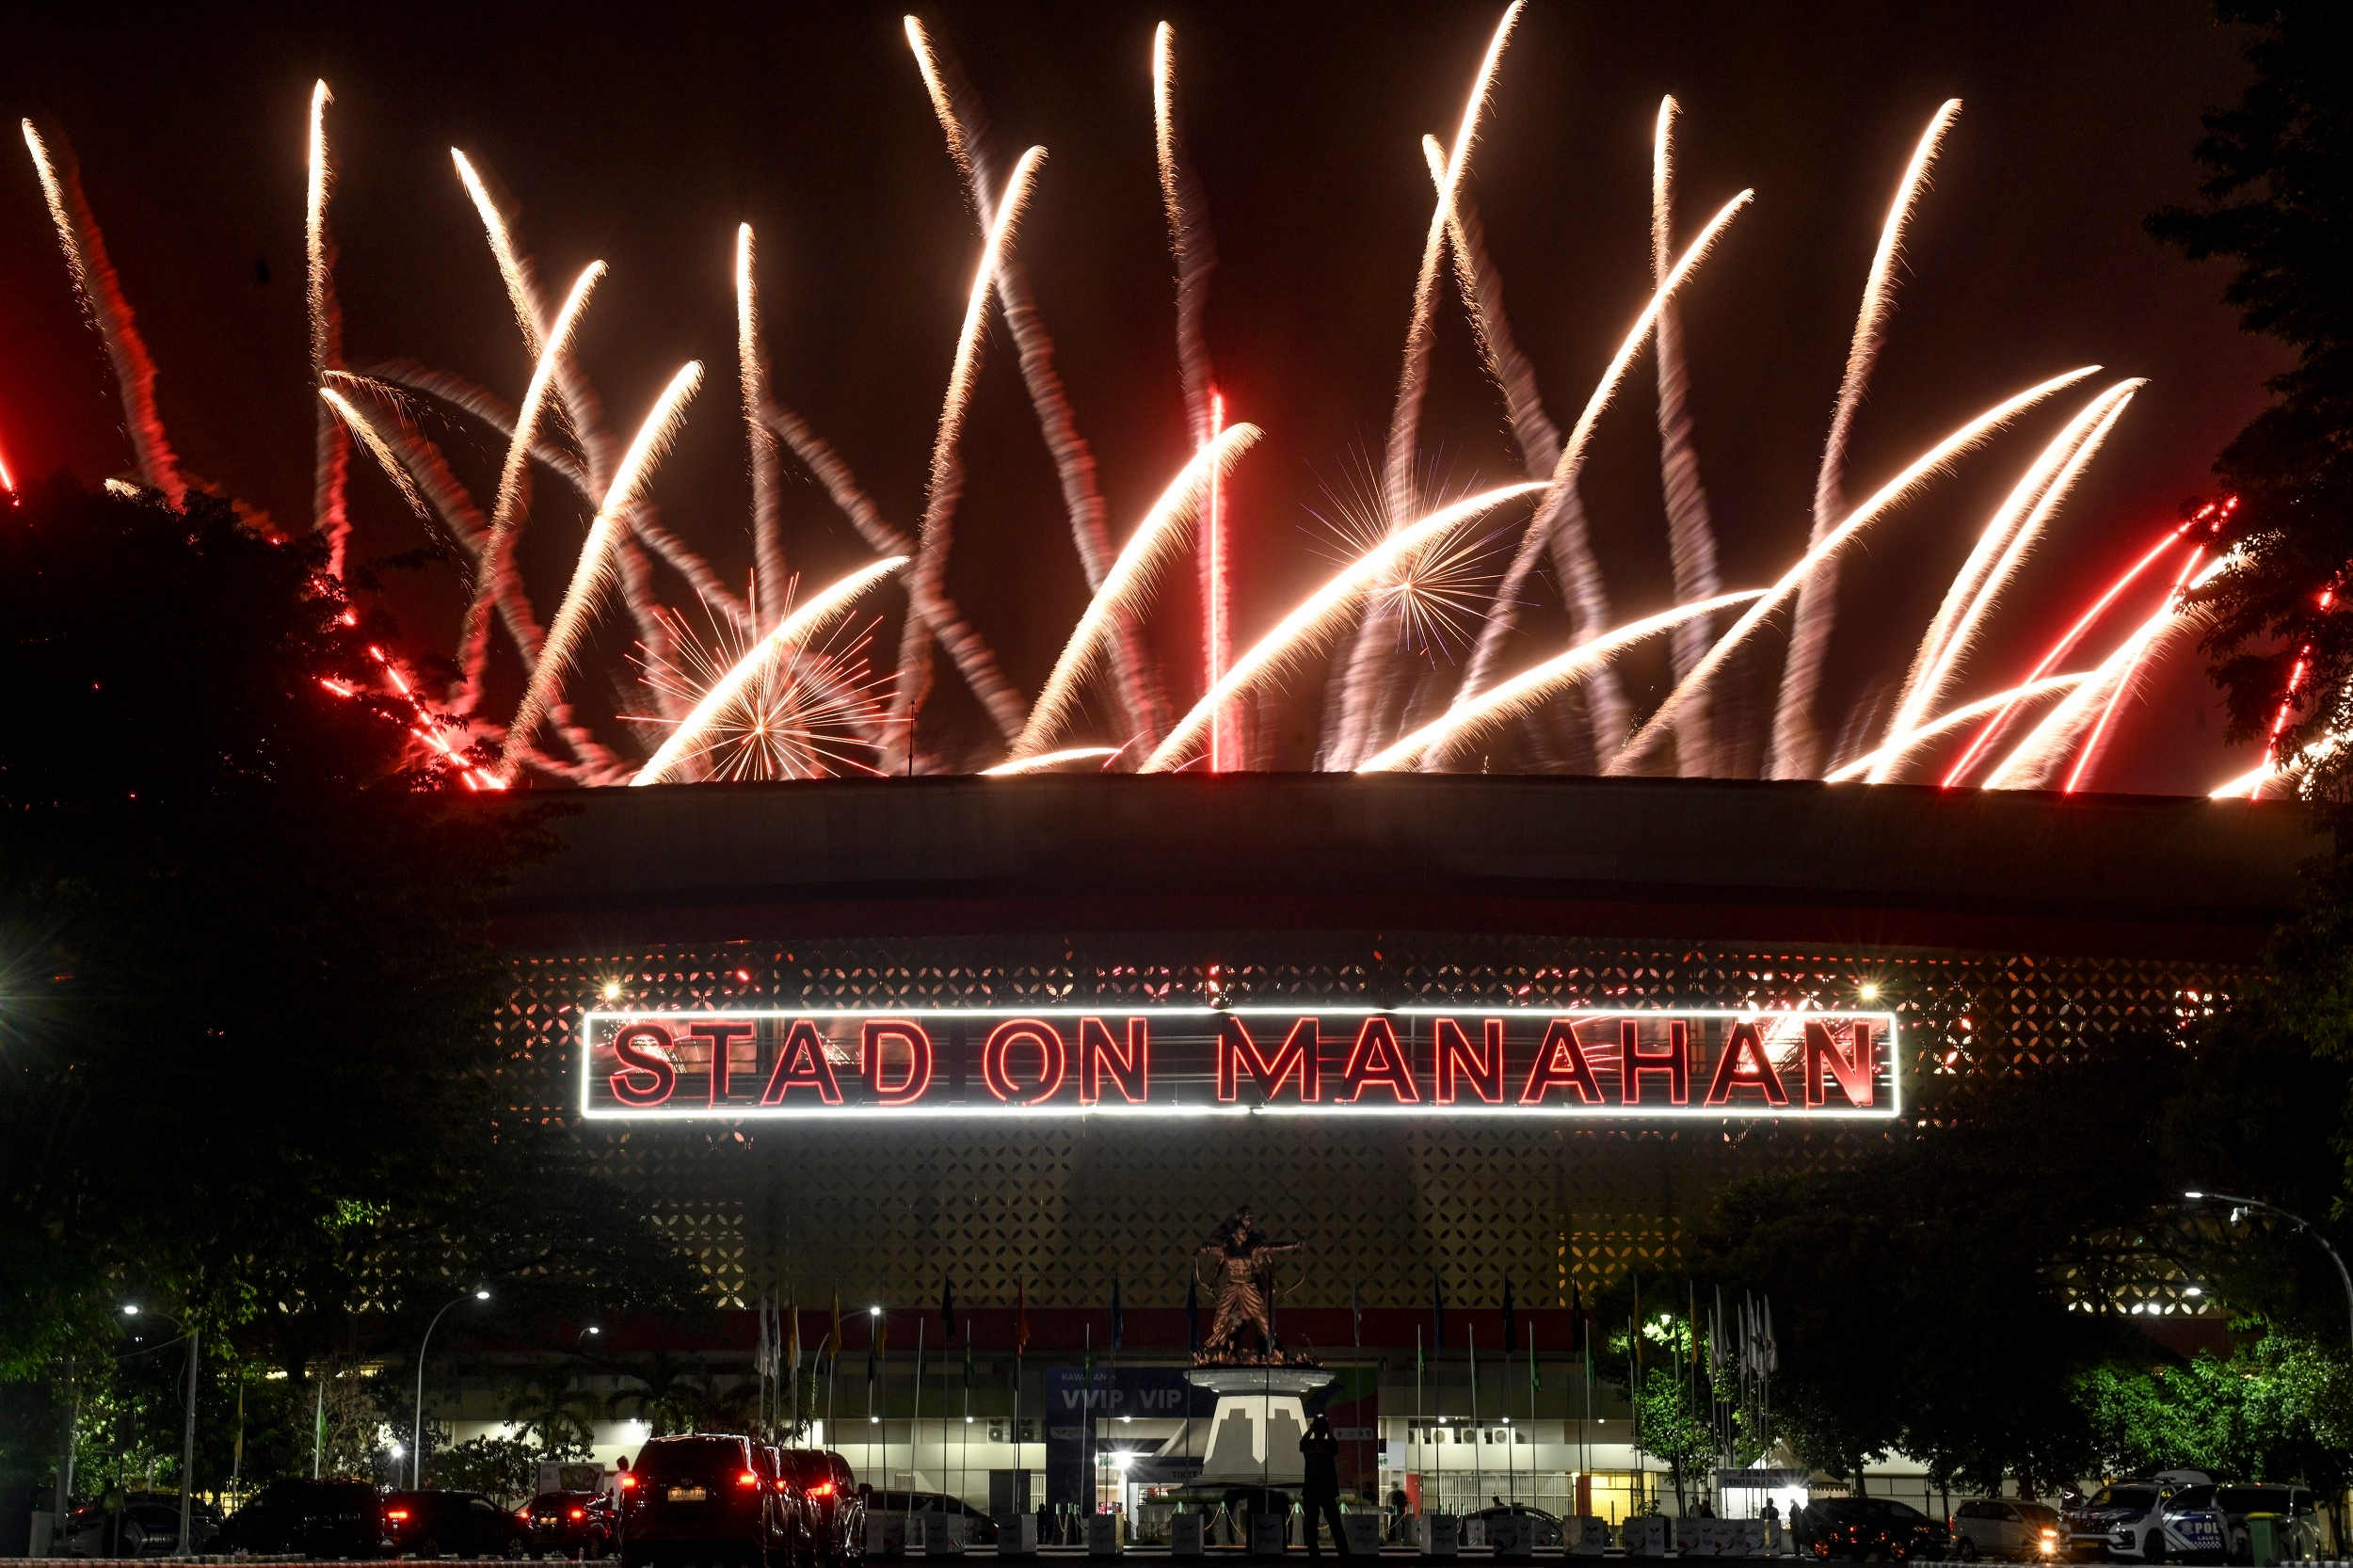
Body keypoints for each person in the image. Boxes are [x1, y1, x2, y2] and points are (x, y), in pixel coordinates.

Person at [1299, 1415, 1350, 1560]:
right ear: (1326, 1429)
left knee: (1311, 1528)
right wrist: (1328, 1430)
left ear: (1314, 1428)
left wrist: (1310, 1430)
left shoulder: (1308, 1445)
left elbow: (1302, 1443)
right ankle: (1344, 1557)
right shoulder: (1329, 1445)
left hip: (1310, 1491)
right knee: (1336, 1527)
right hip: (1328, 1491)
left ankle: (1315, 1559)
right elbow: (1336, 1446)